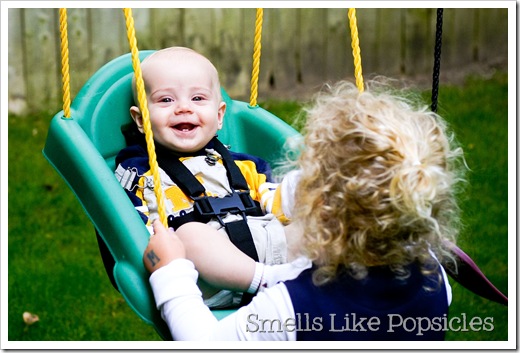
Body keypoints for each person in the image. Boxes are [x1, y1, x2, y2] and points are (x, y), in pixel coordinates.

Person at [143, 79, 467, 340]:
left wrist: (171, 272)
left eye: (307, 175)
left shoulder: (291, 309)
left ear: (321, 210)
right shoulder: (435, 281)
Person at [114, 47, 305, 309]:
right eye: (166, 100)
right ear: (140, 119)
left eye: (198, 98)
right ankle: (268, 282)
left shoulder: (245, 165)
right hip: (205, 278)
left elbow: (277, 206)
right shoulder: (141, 173)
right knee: (190, 234)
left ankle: (338, 276)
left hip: (270, 254)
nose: (183, 108)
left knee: (316, 223)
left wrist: (302, 193)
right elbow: (130, 228)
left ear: (219, 115)